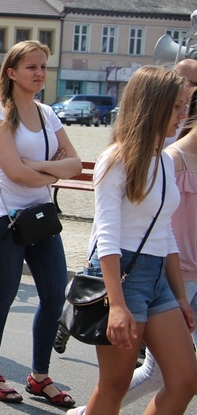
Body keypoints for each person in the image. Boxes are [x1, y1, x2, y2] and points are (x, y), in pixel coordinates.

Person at [67, 67, 197, 415]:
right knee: (114, 385)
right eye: (177, 107)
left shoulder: (164, 160)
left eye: (185, 106)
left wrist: (181, 297)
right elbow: (106, 235)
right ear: (152, 106)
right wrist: (118, 304)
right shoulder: (117, 159)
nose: (183, 115)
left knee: (185, 378)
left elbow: (165, 231)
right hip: (122, 275)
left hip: (158, 280)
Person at [0, 40, 81, 406]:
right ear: (11, 72)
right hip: (1, 218)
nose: (39, 73)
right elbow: (15, 175)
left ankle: (39, 376)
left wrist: (36, 168)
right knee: (2, 296)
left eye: (43, 67)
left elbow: (76, 164)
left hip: (39, 218)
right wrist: (48, 171)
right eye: (32, 67)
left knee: (54, 296)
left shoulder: (46, 113)